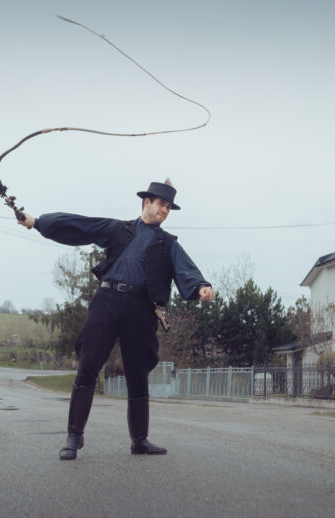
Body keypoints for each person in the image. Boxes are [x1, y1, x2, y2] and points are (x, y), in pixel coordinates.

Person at [18, 179, 214, 460]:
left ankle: (140, 441)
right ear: (147, 202)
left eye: (169, 208)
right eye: (161, 204)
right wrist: (38, 222)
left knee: (138, 374)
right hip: (107, 302)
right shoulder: (118, 229)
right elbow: (80, 226)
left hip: (141, 309)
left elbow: (187, 270)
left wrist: (201, 287)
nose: (165, 211)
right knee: (88, 366)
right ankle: (74, 436)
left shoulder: (168, 244)